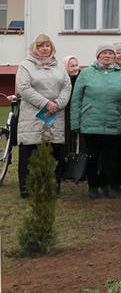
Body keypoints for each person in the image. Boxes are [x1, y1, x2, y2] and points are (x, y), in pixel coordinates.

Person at [15, 34, 71, 198]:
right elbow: (24, 88)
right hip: (33, 114)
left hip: (56, 114)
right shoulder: (25, 66)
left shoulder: (60, 66)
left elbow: (66, 87)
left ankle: (52, 187)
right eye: (40, 46)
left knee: (55, 152)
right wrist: (46, 103)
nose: (44, 49)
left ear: (52, 48)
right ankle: (27, 188)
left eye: (47, 46)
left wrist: (58, 104)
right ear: (35, 48)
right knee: (29, 152)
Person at [71, 44, 121, 199]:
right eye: (104, 53)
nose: (108, 56)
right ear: (98, 56)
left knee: (111, 158)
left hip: (113, 123)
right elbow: (76, 99)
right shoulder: (86, 74)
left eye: (111, 53)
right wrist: (75, 123)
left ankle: (107, 185)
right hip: (90, 124)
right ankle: (93, 186)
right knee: (92, 157)